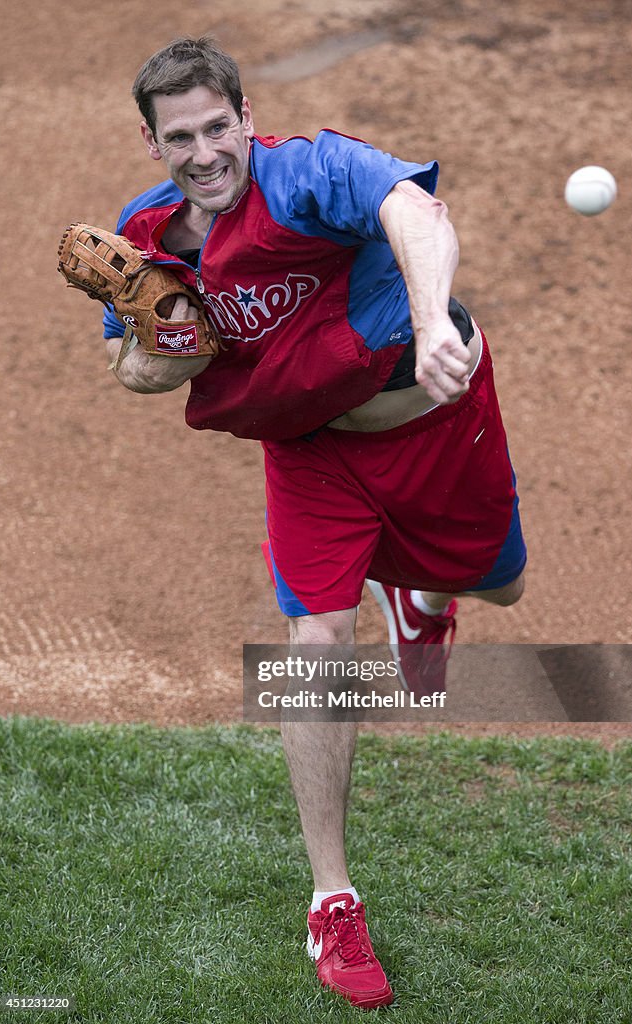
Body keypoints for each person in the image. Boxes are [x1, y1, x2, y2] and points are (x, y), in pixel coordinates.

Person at [103, 35, 527, 1010]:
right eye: (181, 137)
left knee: (498, 580)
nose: (205, 152)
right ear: (151, 139)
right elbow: (134, 371)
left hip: (431, 417)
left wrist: (428, 327)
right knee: (317, 640)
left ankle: (420, 591)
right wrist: (163, 347)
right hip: (309, 455)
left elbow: (414, 212)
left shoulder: (310, 175)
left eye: (219, 127)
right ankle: (332, 900)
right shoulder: (150, 236)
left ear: (246, 119)